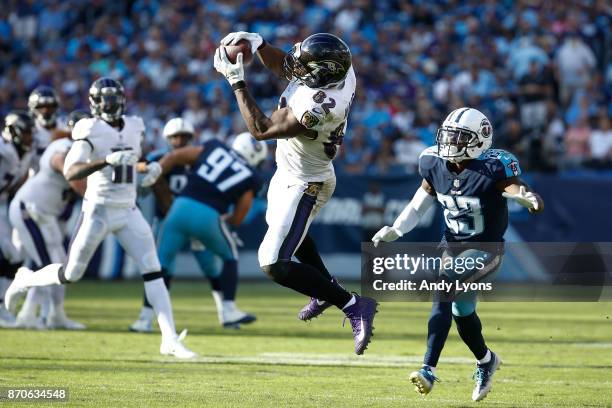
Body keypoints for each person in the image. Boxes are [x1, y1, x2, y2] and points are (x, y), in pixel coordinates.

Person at [4, 78, 195, 359]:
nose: (111, 105)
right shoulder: (89, 129)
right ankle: (26, 279)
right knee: (71, 273)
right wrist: (105, 161)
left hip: (128, 210)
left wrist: (149, 170)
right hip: (98, 210)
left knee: (153, 270)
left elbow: (129, 161)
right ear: (94, 104)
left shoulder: (134, 125)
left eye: (114, 99)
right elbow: (72, 171)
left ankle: (169, 338)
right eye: (105, 101)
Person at [214, 31, 377, 354]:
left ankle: (353, 303)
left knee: (273, 261)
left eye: (306, 68)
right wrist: (260, 45)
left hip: (308, 183)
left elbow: (261, 129)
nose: (297, 69)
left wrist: (236, 81)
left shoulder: (320, 106)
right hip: (288, 172)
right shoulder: (339, 70)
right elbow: (288, 66)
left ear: (321, 75)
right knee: (293, 238)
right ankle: (323, 291)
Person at [372, 107, 544, 401]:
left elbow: (521, 190)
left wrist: (528, 199)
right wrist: (396, 229)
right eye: (449, 135)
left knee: (443, 283)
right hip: (450, 247)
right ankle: (486, 360)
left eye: (460, 137)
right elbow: (419, 203)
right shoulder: (433, 162)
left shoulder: (494, 167)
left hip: (486, 250)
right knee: (461, 312)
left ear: (480, 140)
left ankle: (427, 368)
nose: (450, 143)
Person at [130, 119, 259, 331]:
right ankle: (227, 310)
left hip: (180, 213)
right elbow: (239, 213)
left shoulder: (202, 153)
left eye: (184, 137)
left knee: (207, 267)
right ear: (168, 139)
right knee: (165, 267)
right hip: (184, 218)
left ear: (191, 138)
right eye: (175, 137)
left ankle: (224, 313)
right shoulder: (161, 157)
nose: (179, 141)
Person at [8, 110, 90, 330]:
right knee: (48, 265)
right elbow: (65, 167)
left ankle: (53, 314)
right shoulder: (63, 146)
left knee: (61, 264)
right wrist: (94, 194)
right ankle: (36, 314)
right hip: (29, 209)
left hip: (46, 215)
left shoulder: (87, 153)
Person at [0, 111, 35, 327]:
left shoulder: (25, 153)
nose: (29, 137)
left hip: (3, 204)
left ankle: (2, 306)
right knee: (9, 253)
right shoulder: (3, 148)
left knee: (12, 255)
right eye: (26, 132)